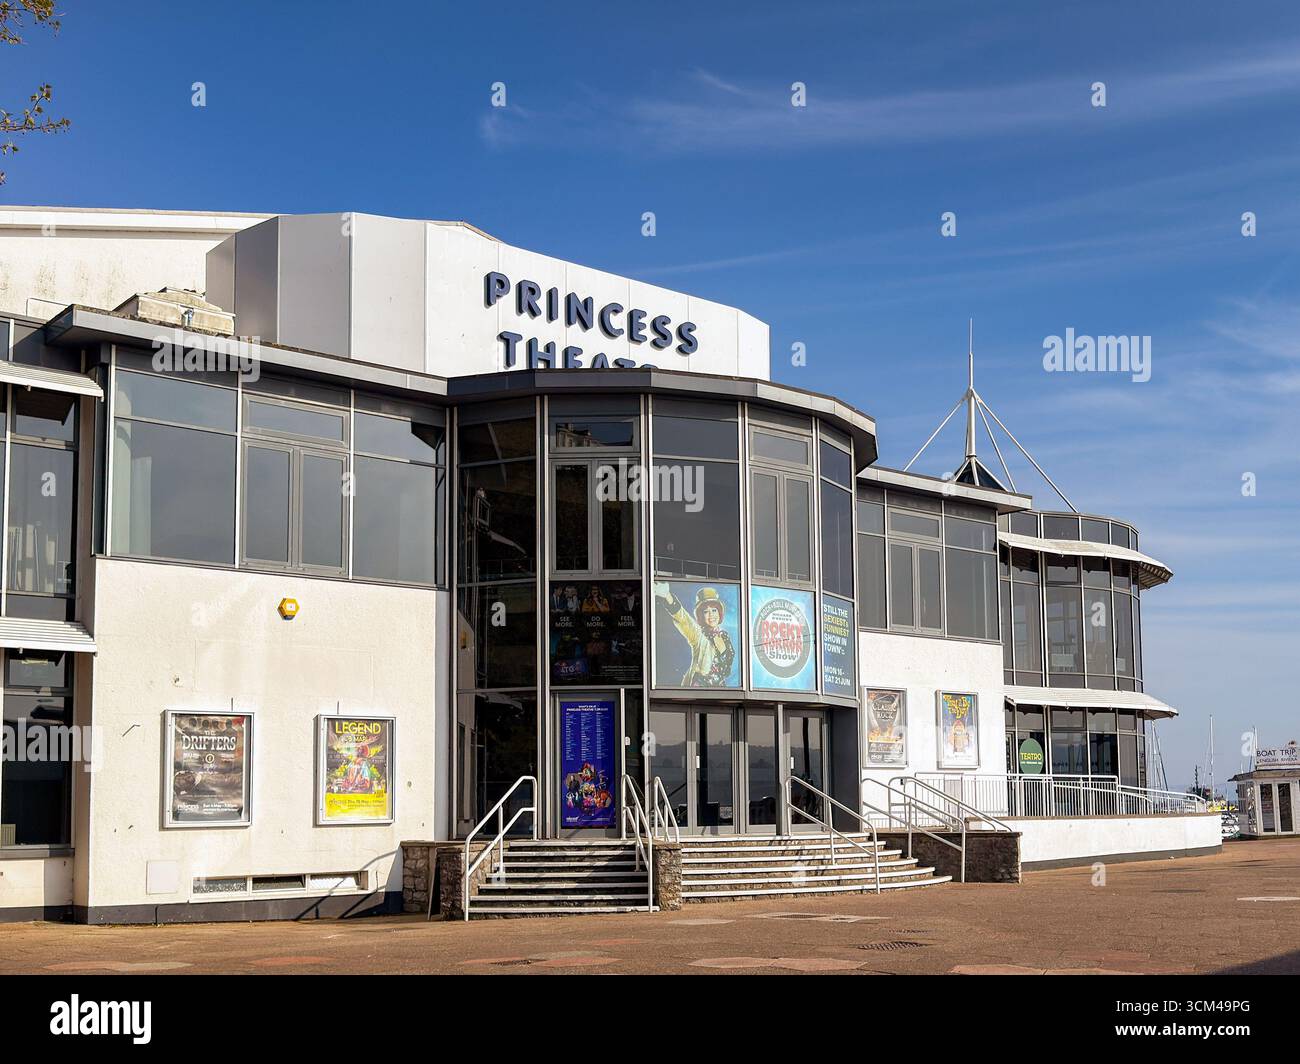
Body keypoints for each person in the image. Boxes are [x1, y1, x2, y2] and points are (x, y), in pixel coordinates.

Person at [654, 583, 735, 686]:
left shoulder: (724, 636)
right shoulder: (698, 635)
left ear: (719, 612)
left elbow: (726, 670)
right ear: (701, 615)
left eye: (714, 610)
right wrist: (667, 595)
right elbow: (684, 619)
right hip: (699, 689)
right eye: (706, 611)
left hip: (719, 691)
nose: (711, 615)